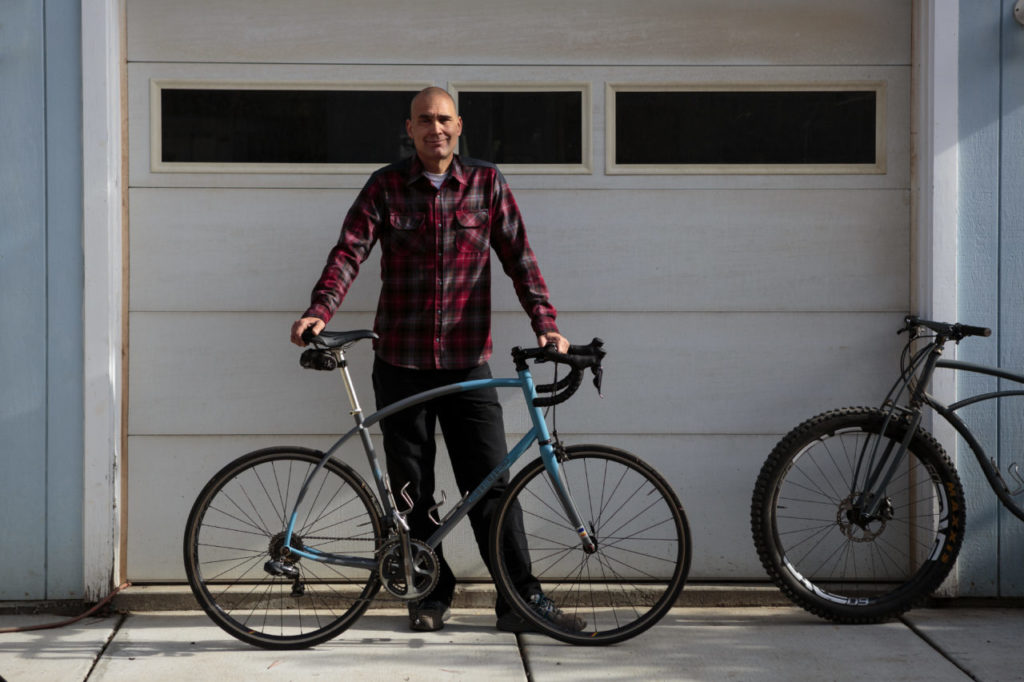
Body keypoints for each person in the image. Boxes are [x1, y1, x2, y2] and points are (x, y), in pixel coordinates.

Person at [290, 87, 581, 634]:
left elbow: (520, 258)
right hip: (400, 363)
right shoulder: (384, 186)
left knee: (492, 484)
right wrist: (319, 310)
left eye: (444, 119)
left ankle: (518, 601)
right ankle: (429, 590)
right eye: (425, 120)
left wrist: (546, 323)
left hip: (470, 363)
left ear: (459, 125)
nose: (435, 128)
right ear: (410, 128)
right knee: (412, 491)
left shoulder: (487, 184)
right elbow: (349, 251)